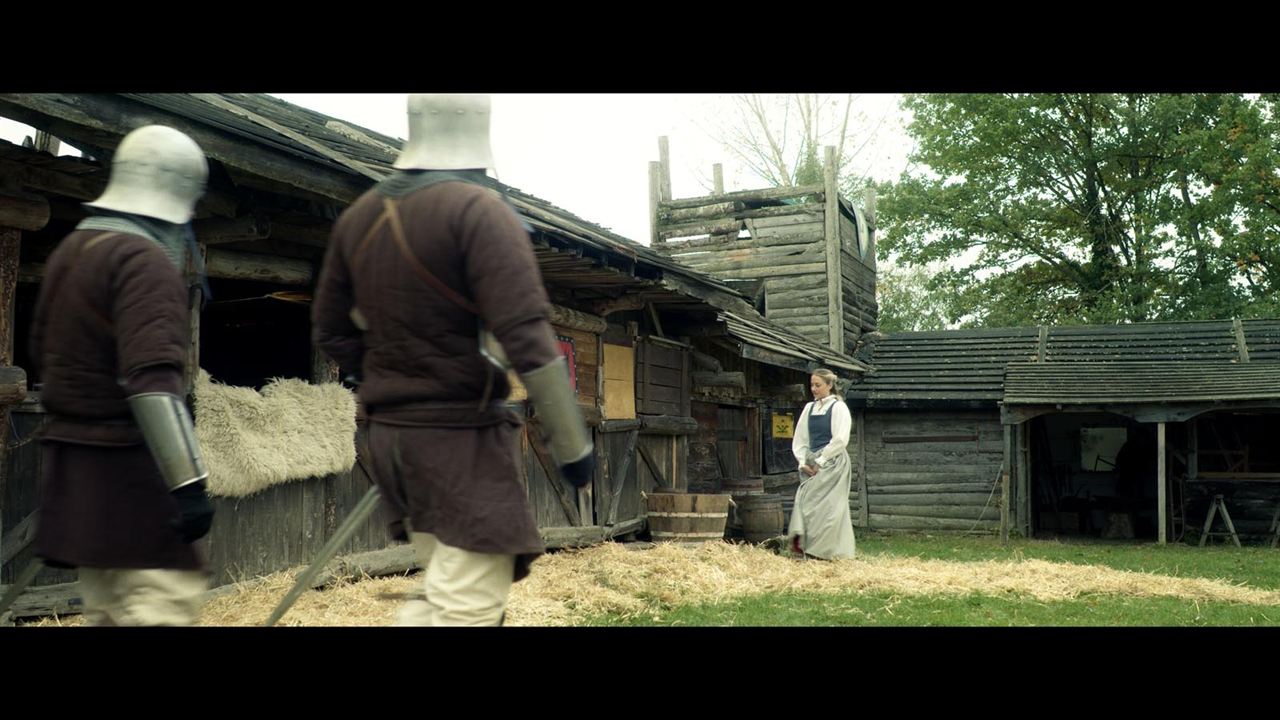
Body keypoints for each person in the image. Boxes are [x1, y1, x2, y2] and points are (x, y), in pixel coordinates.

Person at [312, 94, 593, 626]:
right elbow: (525, 334)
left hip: (392, 440)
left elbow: (331, 330)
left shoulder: (360, 217)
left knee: (447, 590)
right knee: (468, 607)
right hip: (457, 438)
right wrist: (573, 447)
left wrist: (384, 383)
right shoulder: (477, 209)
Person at [29, 125, 215, 625]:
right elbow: (151, 381)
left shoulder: (72, 251)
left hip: (77, 470)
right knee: (163, 606)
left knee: (109, 612)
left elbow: (44, 353)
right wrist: (189, 486)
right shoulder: (144, 261)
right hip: (129, 470)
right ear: (180, 194)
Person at [788, 368, 855, 560]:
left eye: (818, 385)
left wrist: (822, 460)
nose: (814, 389)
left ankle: (826, 553)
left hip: (833, 462)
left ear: (829, 385)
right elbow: (800, 438)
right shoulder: (809, 408)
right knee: (806, 504)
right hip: (812, 461)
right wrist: (802, 461)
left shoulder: (838, 407)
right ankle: (805, 549)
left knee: (829, 509)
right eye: (812, 385)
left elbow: (840, 439)